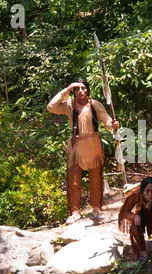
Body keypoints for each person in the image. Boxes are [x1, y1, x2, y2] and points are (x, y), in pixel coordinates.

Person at [47, 79, 119, 224]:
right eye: (77, 89)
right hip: (76, 146)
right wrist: (67, 89)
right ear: (74, 92)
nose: (80, 91)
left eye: (83, 88)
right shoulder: (69, 105)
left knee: (95, 178)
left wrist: (113, 124)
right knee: (73, 180)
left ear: (87, 90)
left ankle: (96, 209)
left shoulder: (95, 104)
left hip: (93, 145)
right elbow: (51, 107)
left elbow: (107, 121)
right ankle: (75, 212)